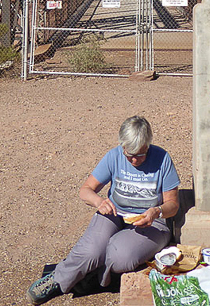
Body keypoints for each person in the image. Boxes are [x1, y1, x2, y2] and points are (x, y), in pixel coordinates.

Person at [27, 115, 180, 305]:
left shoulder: (162, 159)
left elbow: (173, 205)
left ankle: (86, 273)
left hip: (151, 221)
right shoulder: (114, 156)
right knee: (91, 250)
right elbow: (85, 190)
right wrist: (99, 202)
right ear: (121, 146)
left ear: (148, 145)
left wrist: (156, 211)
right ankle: (58, 279)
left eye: (140, 154)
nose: (133, 160)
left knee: (120, 257)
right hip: (115, 213)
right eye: (128, 154)